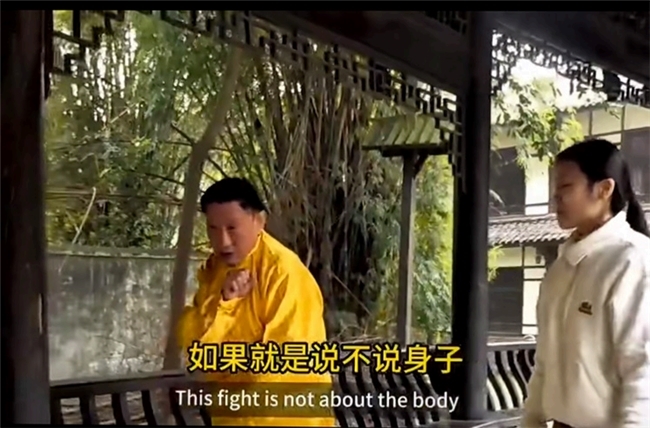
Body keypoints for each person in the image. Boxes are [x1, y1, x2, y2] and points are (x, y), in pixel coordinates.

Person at [177, 177, 335, 427]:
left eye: (232, 228)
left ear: (259, 221)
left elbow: (289, 364)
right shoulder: (215, 271)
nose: (223, 241)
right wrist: (225, 303)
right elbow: (195, 347)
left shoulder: (284, 274)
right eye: (213, 229)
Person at [522, 139, 650, 428]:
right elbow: (544, 362)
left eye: (566, 187)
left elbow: (642, 371)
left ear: (604, 189)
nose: (556, 197)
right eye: (555, 189)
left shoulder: (634, 260)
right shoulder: (561, 268)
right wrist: (531, 420)